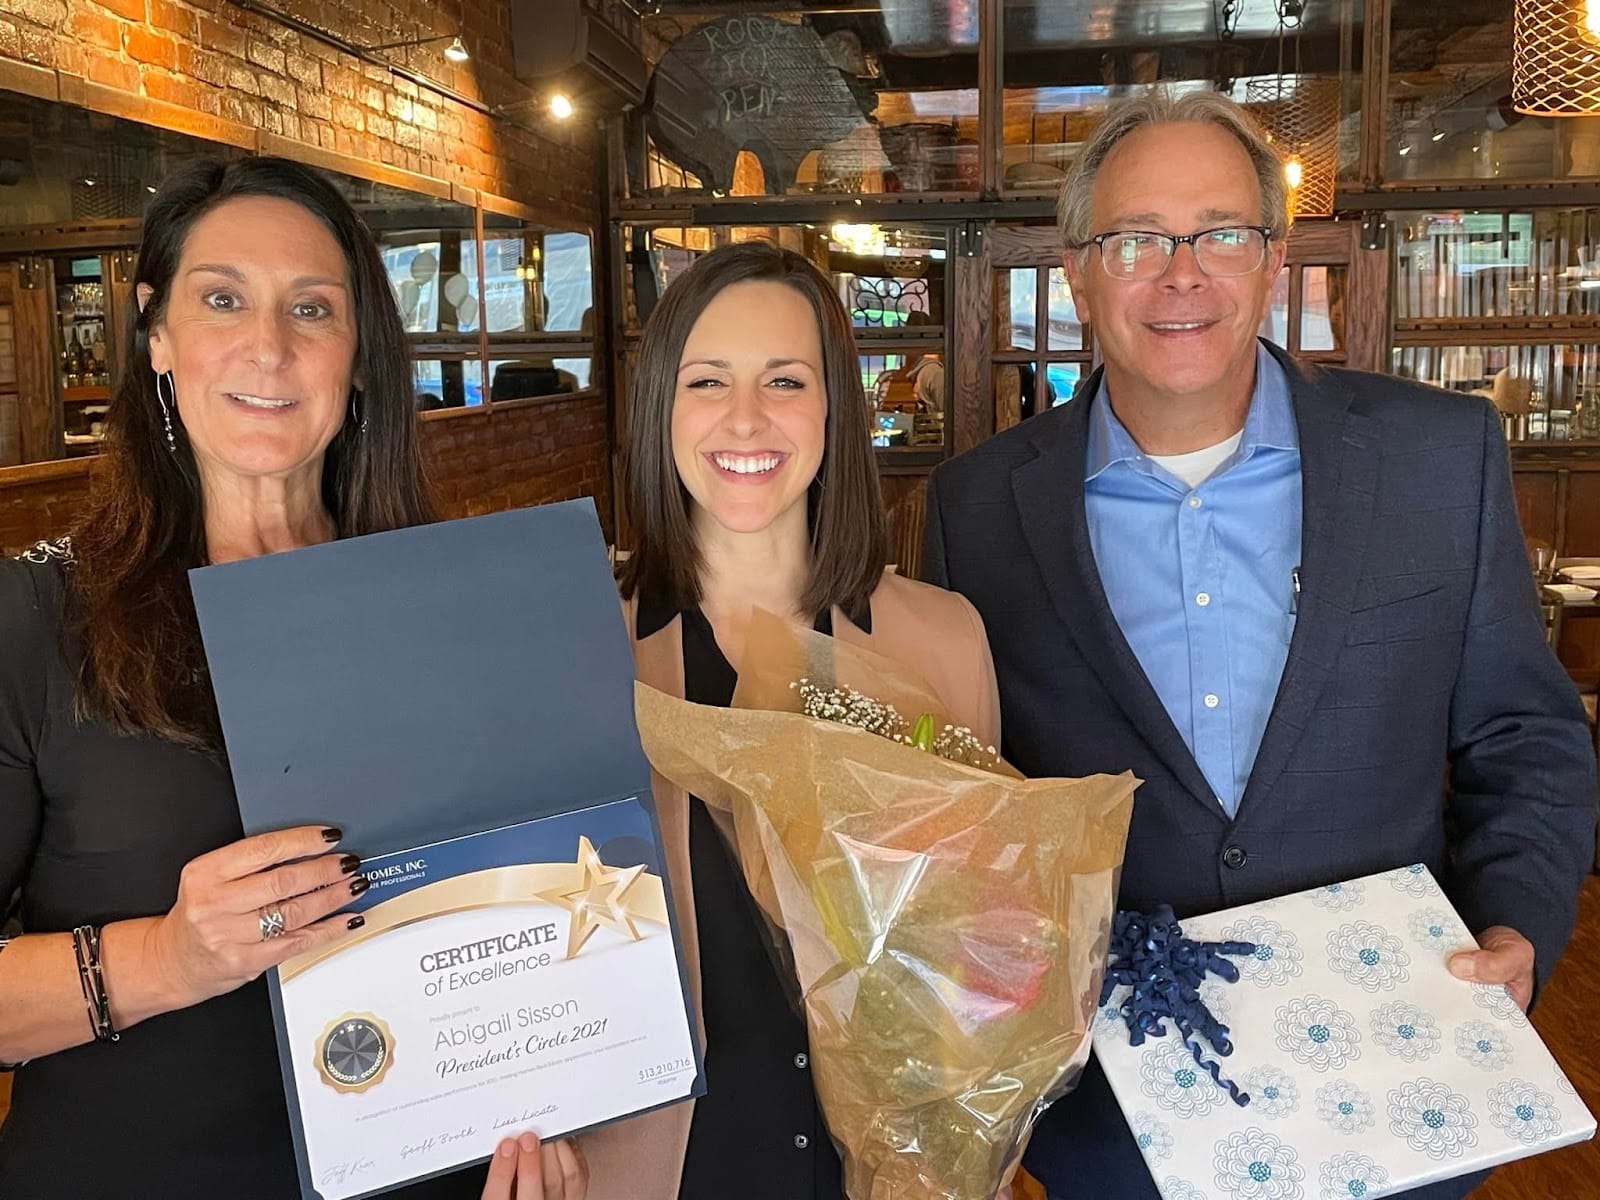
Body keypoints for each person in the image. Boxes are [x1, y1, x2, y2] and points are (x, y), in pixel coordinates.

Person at [921, 90, 1597, 1200]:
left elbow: (1523, 734)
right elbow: (966, 801)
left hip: (1396, 1074)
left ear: (1273, 262)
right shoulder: (976, 508)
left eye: (1221, 234)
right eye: (1137, 239)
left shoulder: (1436, 461)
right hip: (1117, 1120)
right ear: (1080, 272)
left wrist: (1516, 920)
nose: (1181, 274)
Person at [0, 157, 583, 1200]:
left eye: (311, 310)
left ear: (359, 356)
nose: (267, 346)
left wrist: (551, 1116)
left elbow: (544, 901)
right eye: (222, 299)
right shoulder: (36, 620)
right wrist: (168, 959)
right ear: (157, 333)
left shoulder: (462, 613)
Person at [585, 240, 1000, 1199]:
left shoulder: (942, 640)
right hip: (667, 1169)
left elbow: (982, 937)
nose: (745, 417)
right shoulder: (578, 656)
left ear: (831, 410)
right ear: (662, 409)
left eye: (784, 379)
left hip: (886, 1168)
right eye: (707, 381)